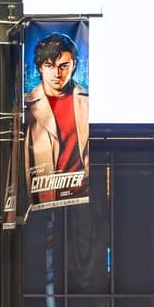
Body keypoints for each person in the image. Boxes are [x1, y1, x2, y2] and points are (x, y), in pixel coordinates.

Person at [24, 31, 91, 205]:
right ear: (40, 67)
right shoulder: (24, 106)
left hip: (80, 196)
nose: (57, 73)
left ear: (74, 65)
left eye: (63, 66)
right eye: (49, 65)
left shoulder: (88, 101)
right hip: (41, 196)